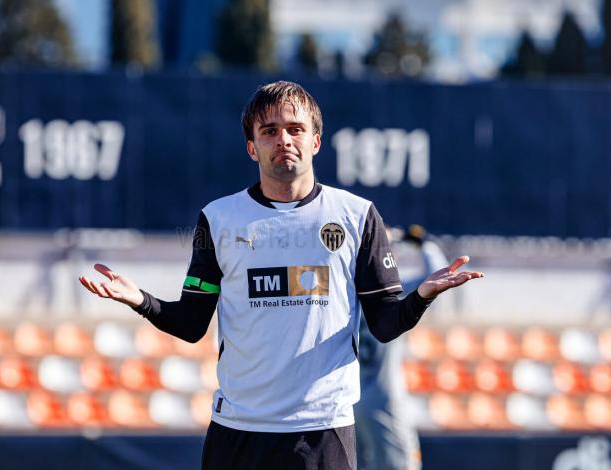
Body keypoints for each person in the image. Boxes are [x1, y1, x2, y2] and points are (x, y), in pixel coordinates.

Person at [79, 81, 484, 470]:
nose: (284, 140)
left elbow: (384, 323)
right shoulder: (218, 219)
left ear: (315, 142)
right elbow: (190, 323)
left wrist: (423, 296)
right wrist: (140, 300)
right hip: (238, 431)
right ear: (252, 148)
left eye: (295, 129)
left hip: (322, 431)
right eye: (270, 131)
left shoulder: (358, 215)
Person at [355, 225, 448, 470]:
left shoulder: (343, 292)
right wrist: (423, 242)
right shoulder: (391, 290)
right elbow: (439, 276)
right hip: (384, 394)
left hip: (350, 397)